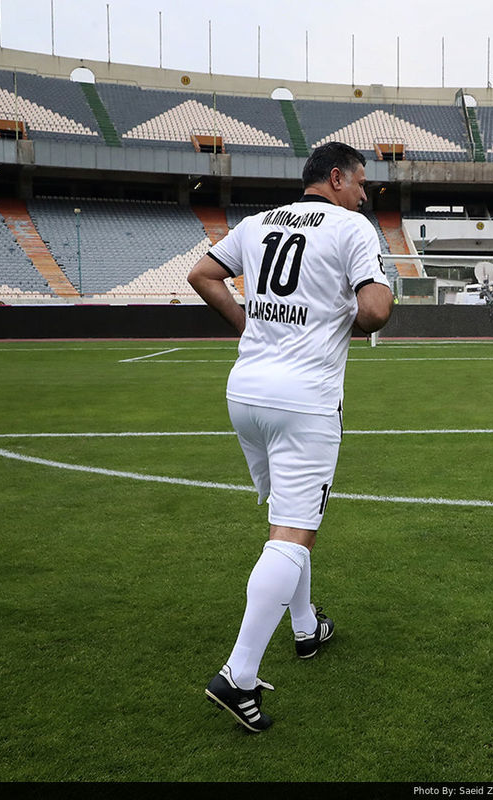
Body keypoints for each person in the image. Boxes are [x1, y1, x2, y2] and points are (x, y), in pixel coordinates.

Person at [186, 142, 393, 734]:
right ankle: (238, 676)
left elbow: (202, 274)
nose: (363, 194)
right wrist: (360, 305)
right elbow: (375, 310)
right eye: (361, 184)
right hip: (303, 399)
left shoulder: (256, 224)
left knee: (284, 522)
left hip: (245, 392)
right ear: (335, 178)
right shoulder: (351, 228)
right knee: (293, 534)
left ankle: (305, 628)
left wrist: (251, 323)